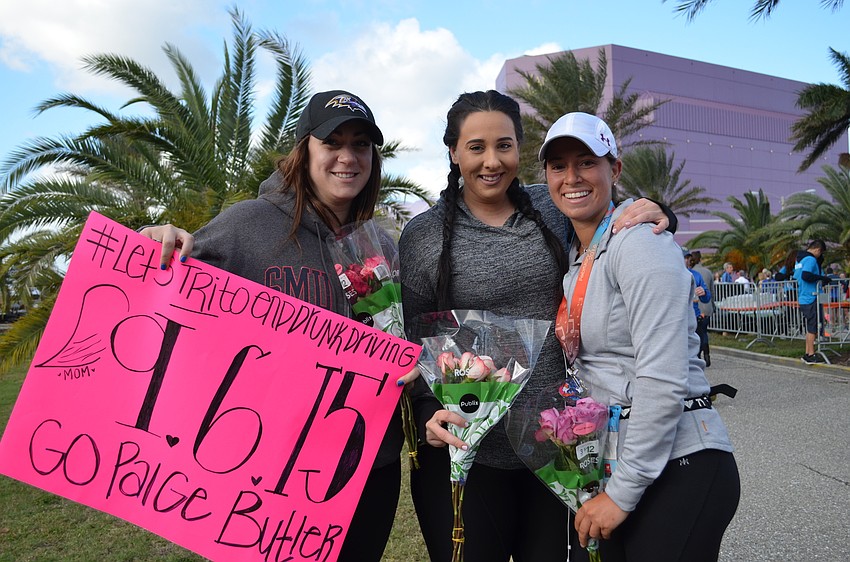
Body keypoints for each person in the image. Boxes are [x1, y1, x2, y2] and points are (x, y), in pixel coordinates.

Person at [138, 90, 418, 562]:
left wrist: (412, 360)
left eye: (361, 145)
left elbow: (400, 340)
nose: (347, 157)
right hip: (270, 472)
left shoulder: (382, 248)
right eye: (333, 142)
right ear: (304, 149)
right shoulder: (247, 225)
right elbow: (170, 297)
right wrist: (153, 245)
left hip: (369, 468)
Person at [399, 91, 677, 562]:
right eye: (476, 147)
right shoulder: (423, 236)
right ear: (452, 152)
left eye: (504, 146)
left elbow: (613, 218)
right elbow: (412, 344)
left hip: (555, 449)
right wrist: (428, 410)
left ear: (520, 149)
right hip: (468, 453)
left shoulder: (549, 208)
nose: (492, 161)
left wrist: (664, 212)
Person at [540, 112, 740, 561]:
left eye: (587, 162)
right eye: (558, 166)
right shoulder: (578, 254)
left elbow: (663, 376)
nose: (572, 177)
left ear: (615, 169)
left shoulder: (640, 243)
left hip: (679, 464)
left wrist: (622, 493)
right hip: (623, 462)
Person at [794, 239, 834, 364]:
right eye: (820, 254)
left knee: (810, 327)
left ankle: (807, 353)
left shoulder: (800, 260)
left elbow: (797, 277)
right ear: (817, 250)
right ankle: (811, 355)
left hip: (803, 296)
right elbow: (806, 276)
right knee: (813, 327)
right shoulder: (811, 260)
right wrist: (823, 278)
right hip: (811, 296)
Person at [684, 251, 712, 367]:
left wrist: (704, 292)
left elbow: (706, 298)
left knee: (697, 345)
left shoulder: (695, 275)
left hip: (694, 317)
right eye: (684, 258)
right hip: (677, 319)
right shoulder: (671, 275)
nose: (686, 261)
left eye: (687, 258)